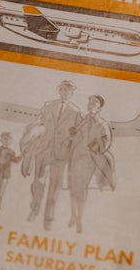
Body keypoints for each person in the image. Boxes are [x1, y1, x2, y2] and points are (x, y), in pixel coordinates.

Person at [19, 79, 81, 229]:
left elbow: (78, 133)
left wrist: (69, 143)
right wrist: (32, 133)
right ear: (59, 90)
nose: (66, 93)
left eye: (70, 91)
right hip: (43, 150)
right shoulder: (48, 106)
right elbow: (38, 122)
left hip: (60, 154)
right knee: (38, 182)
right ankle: (35, 208)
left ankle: (49, 219)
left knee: (55, 187)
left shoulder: (76, 111)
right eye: (64, 90)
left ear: (73, 93)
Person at [66, 94, 115, 233]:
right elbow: (75, 135)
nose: (90, 104)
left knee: (80, 189)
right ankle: (73, 216)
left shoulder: (103, 124)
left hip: (89, 160)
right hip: (75, 157)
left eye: (94, 103)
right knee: (73, 188)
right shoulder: (83, 120)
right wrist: (72, 133)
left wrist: (96, 144)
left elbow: (107, 141)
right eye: (90, 102)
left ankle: (79, 219)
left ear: (99, 108)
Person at [0, 131, 20, 215]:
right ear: (1, 139)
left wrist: (22, 155)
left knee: (1, 192)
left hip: (5, 173)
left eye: (9, 139)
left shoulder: (11, 151)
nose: (7, 140)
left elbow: (16, 160)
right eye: (5, 138)